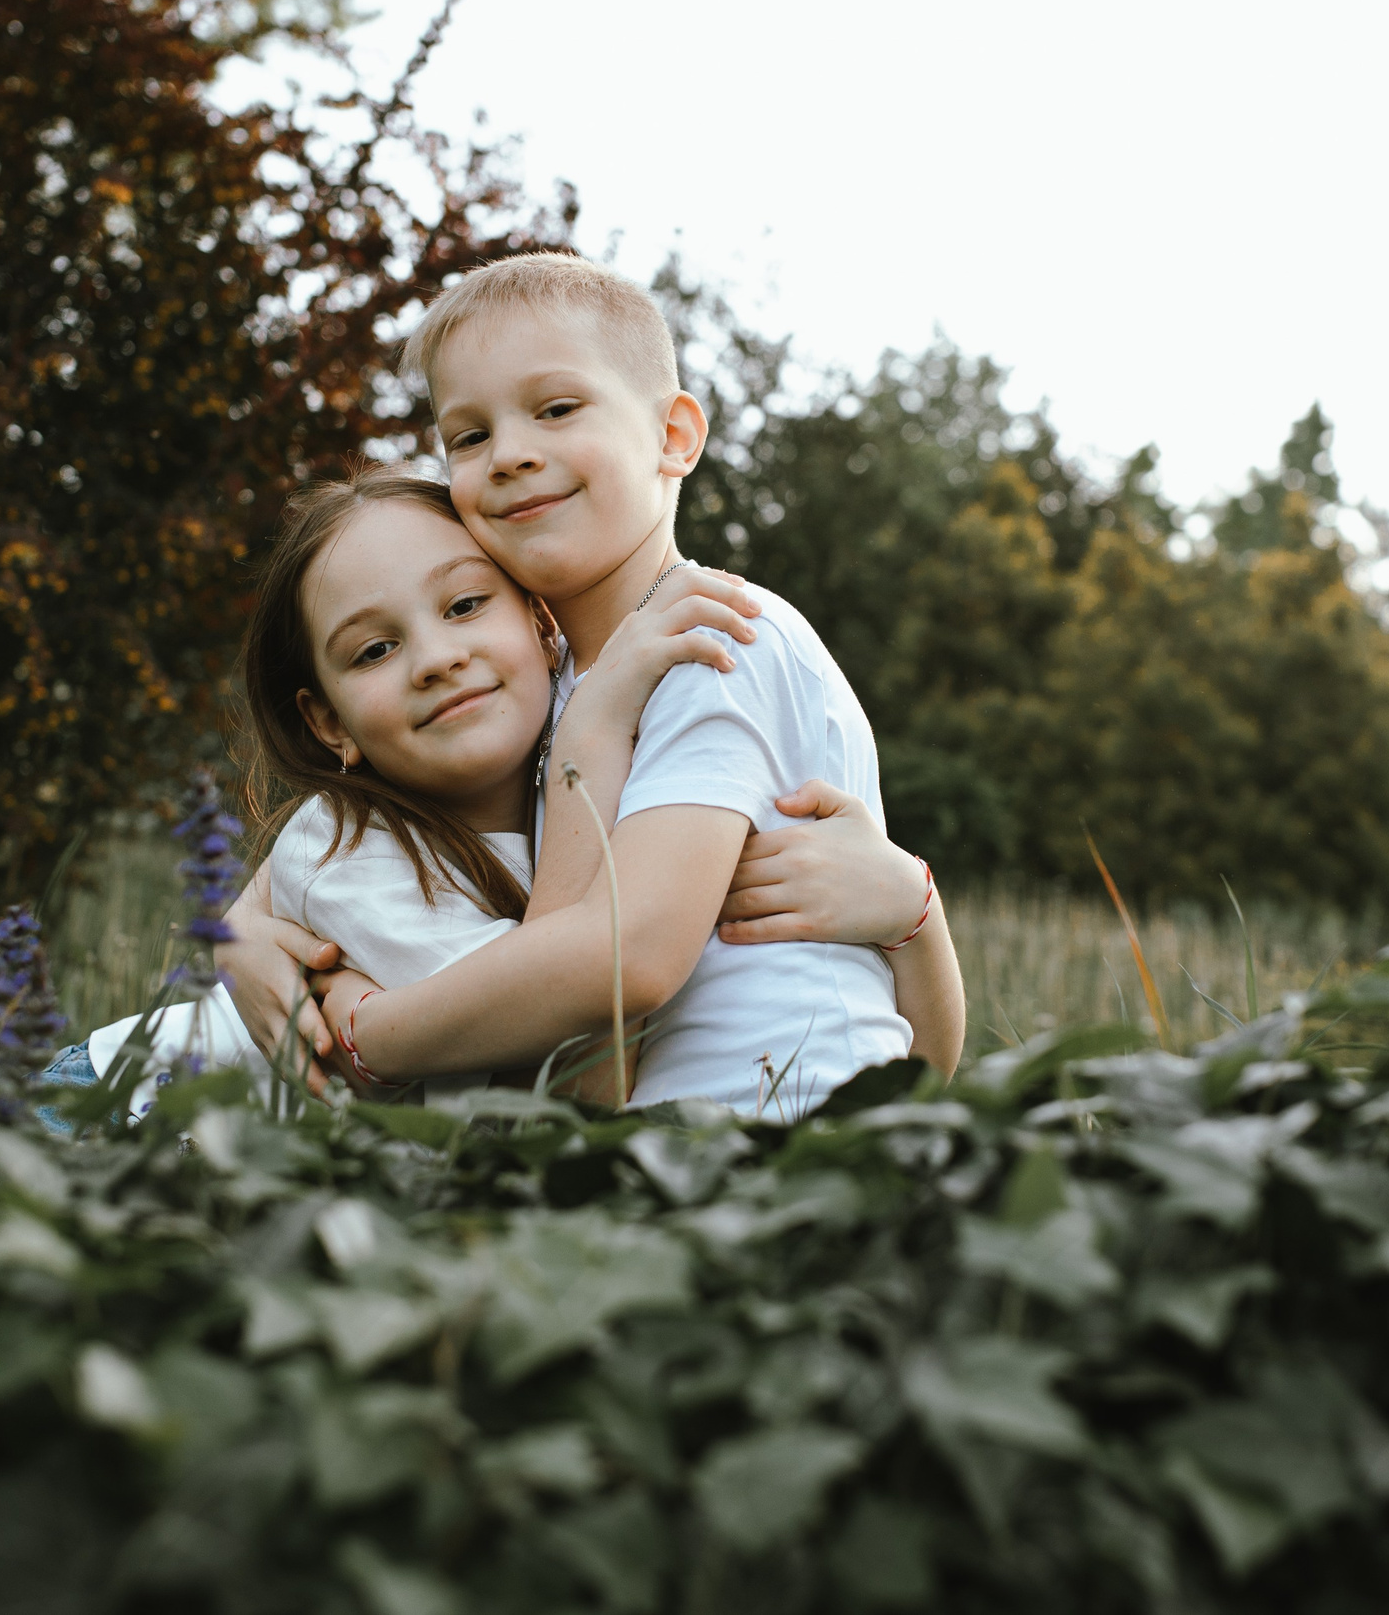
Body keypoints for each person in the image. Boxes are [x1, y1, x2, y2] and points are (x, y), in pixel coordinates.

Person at [225, 253, 962, 1116]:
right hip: (666, 1150)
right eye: (468, 436)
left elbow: (635, 958)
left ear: (672, 437)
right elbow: (325, 847)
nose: (509, 455)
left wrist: (372, 1037)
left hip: (772, 1135)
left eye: (557, 408)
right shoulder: (557, 686)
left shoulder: (714, 637)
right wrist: (236, 931)